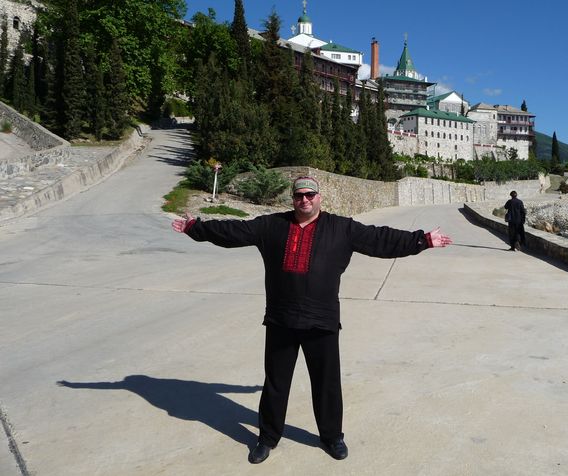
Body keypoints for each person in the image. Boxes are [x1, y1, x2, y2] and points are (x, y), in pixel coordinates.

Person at [171, 175, 452, 464]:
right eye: (299, 195)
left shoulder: (341, 228)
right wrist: (196, 228)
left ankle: (332, 437)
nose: (304, 200)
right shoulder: (272, 226)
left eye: (309, 195)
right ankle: (267, 438)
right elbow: (233, 232)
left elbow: (379, 239)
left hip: (322, 320)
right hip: (281, 318)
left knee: (326, 383)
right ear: (292, 198)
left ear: (319, 197)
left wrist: (422, 240)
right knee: (276, 384)